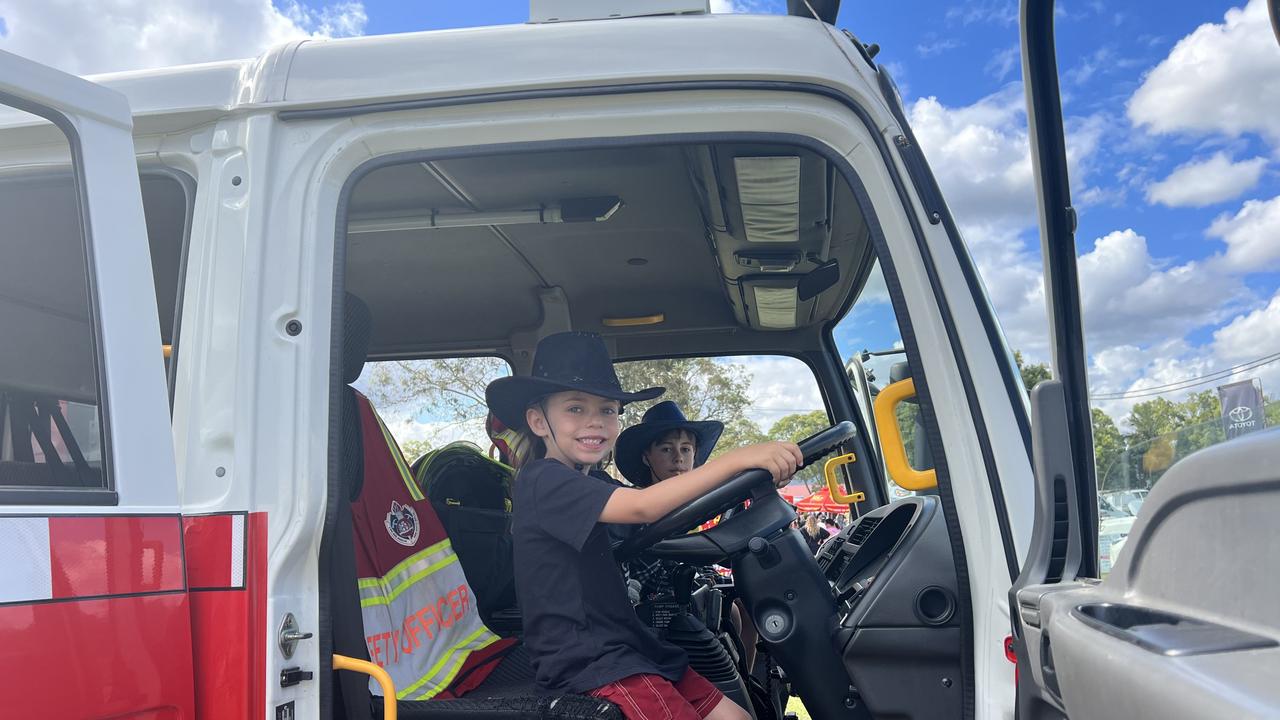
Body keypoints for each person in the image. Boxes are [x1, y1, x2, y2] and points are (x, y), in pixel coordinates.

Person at [486, 332, 802, 720]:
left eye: (607, 410)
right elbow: (642, 507)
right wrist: (742, 458)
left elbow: (659, 505)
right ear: (538, 420)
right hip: (589, 660)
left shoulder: (592, 484)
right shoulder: (542, 480)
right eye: (575, 408)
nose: (594, 422)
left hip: (630, 647)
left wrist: (746, 483)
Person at [615, 401, 761, 674]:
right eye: (666, 449)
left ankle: (747, 685)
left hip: (684, 581)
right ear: (647, 456)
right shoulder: (635, 503)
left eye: (685, 449)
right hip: (644, 594)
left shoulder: (689, 506)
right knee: (730, 612)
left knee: (749, 602)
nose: (678, 458)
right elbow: (649, 567)